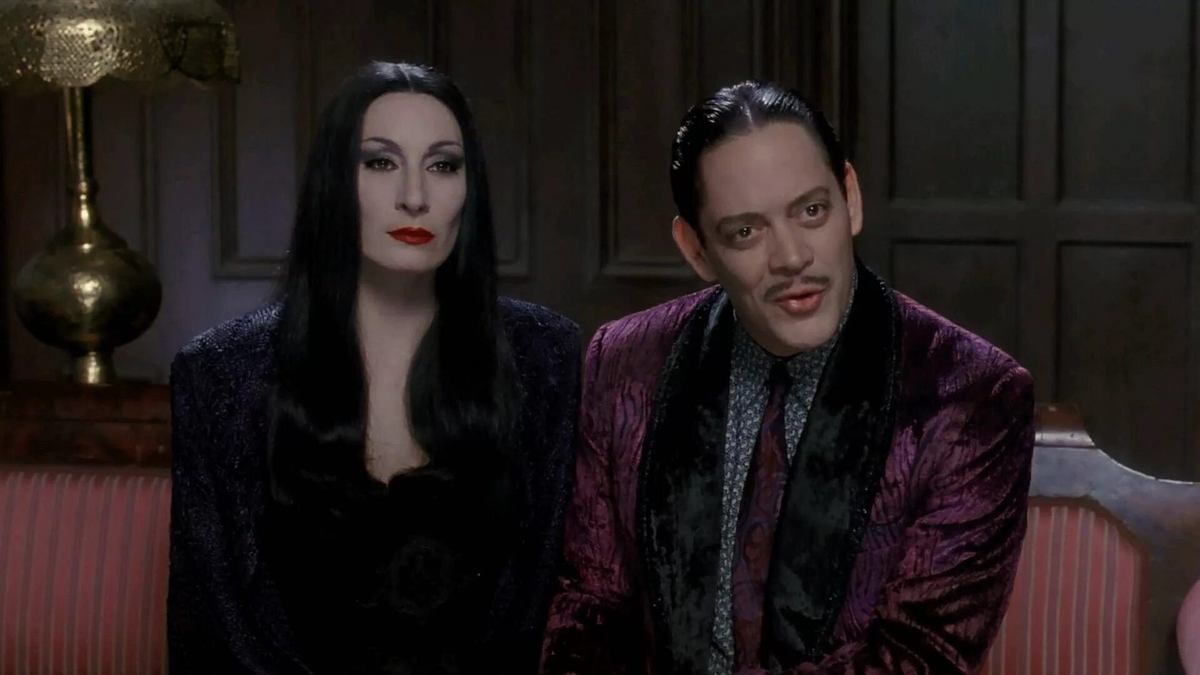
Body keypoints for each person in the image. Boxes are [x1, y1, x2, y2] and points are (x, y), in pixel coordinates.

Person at [540, 80, 1035, 674]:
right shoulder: (626, 363)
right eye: (745, 232)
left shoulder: (972, 394)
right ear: (695, 249)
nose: (793, 257)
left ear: (850, 198)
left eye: (811, 211)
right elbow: (591, 608)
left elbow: (918, 655)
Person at [168, 61, 580, 674]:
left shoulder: (545, 355)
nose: (414, 195)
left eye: (443, 166)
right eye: (380, 162)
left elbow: (545, 611)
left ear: (469, 190)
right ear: (334, 181)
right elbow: (214, 630)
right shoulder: (221, 372)